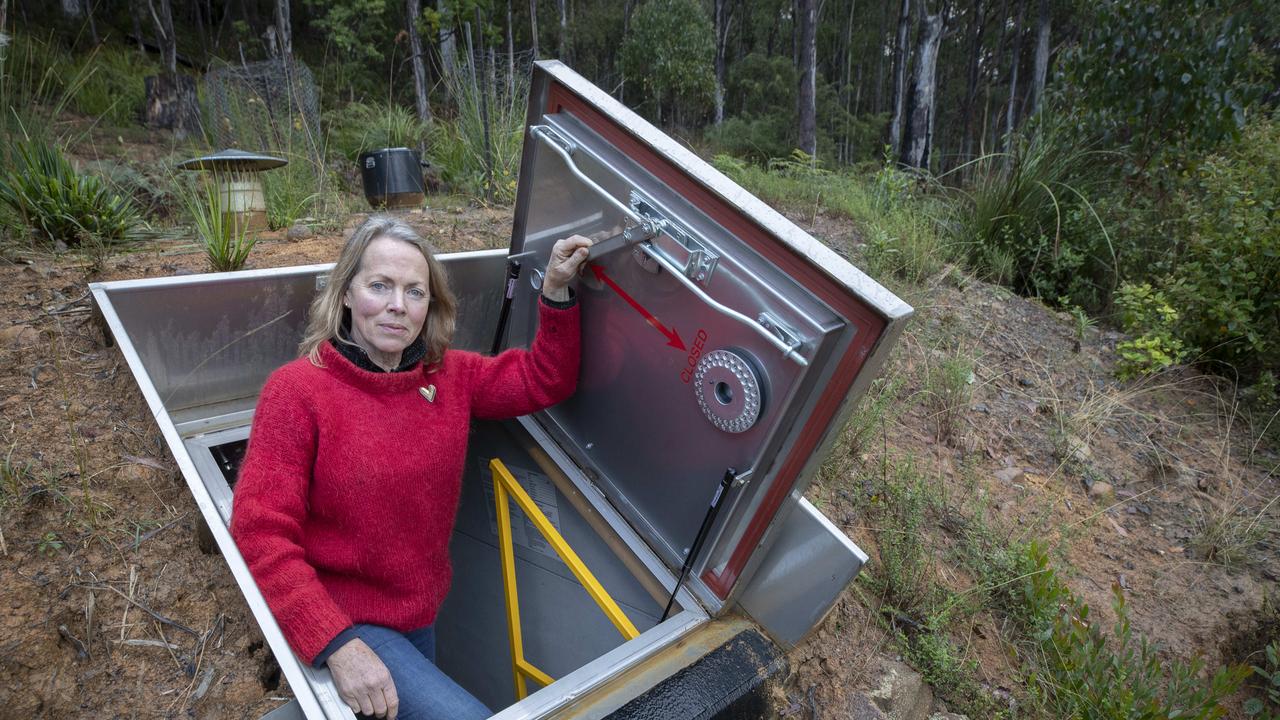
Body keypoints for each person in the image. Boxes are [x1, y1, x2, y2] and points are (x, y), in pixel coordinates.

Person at [230, 214, 592, 720]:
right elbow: (259, 532)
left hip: (420, 617)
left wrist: (554, 289)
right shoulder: (297, 392)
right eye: (380, 285)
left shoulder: (449, 376)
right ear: (348, 293)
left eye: (415, 291)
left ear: (430, 304)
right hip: (346, 617)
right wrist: (334, 643)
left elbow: (543, 380)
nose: (398, 305)